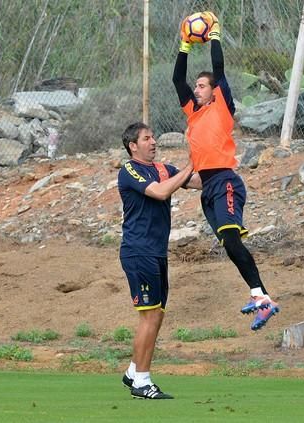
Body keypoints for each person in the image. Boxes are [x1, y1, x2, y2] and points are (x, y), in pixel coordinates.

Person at [172, 11, 280, 331]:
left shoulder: (221, 106)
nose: (197, 88)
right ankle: (260, 297)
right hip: (207, 188)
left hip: (226, 183)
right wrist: (184, 45)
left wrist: (214, 35)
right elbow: (178, 80)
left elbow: (218, 70)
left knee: (232, 241)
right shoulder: (193, 114)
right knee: (229, 245)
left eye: (202, 85)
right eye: (198, 85)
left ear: (213, 90)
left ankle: (265, 299)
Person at [118, 122, 201, 399]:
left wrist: (217, 165)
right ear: (133, 146)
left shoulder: (164, 168)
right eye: (147, 138)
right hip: (138, 251)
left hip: (156, 252)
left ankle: (133, 371)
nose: (153, 142)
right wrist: (190, 166)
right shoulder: (130, 170)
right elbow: (160, 192)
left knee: (157, 314)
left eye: (153, 137)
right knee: (150, 315)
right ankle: (142, 381)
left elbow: (196, 181)